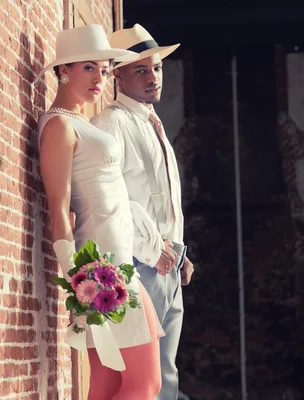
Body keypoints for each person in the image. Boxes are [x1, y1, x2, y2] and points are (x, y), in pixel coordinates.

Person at [35, 24, 165, 400]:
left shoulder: (79, 123)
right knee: (145, 384)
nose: (99, 79)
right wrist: (76, 279)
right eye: (89, 67)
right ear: (64, 70)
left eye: (105, 71)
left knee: (109, 386)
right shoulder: (59, 125)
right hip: (102, 274)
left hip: (116, 265)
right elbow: (58, 206)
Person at [90, 24, 195, 400]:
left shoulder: (154, 126)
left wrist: (181, 251)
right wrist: (154, 251)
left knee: (166, 377)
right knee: (144, 380)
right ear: (117, 75)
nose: (153, 78)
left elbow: (164, 200)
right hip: (140, 262)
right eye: (141, 70)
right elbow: (111, 201)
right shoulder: (111, 124)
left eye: (157, 68)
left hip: (169, 262)